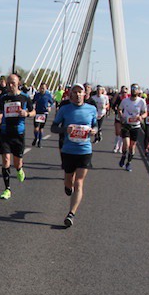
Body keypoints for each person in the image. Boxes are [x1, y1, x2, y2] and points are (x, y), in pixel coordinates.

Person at [52, 83, 98, 227]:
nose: (78, 94)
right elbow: (53, 127)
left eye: (80, 92)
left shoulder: (91, 109)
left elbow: (95, 125)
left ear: (85, 94)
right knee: (69, 181)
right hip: (68, 150)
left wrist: (94, 131)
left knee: (79, 182)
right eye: (75, 92)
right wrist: (65, 129)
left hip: (84, 150)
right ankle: (68, 187)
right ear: (71, 94)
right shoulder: (64, 109)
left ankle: (71, 214)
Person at [0, 72, 31, 199]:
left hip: (18, 133)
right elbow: (0, 113)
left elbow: (33, 111)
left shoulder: (25, 97)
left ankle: (19, 170)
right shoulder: (3, 98)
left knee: (17, 163)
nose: (10, 85)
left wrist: (27, 113)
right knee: (6, 159)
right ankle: (7, 189)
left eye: (13, 83)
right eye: (8, 83)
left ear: (18, 83)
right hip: (5, 132)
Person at [117, 84, 146, 171]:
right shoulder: (125, 101)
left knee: (132, 146)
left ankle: (129, 163)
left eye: (136, 89)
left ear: (138, 91)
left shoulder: (141, 101)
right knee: (126, 144)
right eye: (133, 88)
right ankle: (123, 156)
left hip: (135, 126)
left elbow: (145, 113)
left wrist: (141, 117)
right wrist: (121, 116)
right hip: (126, 124)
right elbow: (119, 109)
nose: (134, 90)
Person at [31, 82, 53, 147]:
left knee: (41, 128)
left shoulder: (48, 95)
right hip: (37, 112)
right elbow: (32, 102)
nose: (42, 89)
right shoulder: (37, 95)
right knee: (36, 128)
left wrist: (49, 107)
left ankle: (39, 142)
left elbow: (51, 102)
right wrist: (31, 108)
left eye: (43, 88)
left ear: (46, 88)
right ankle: (35, 138)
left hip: (44, 113)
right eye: (41, 88)